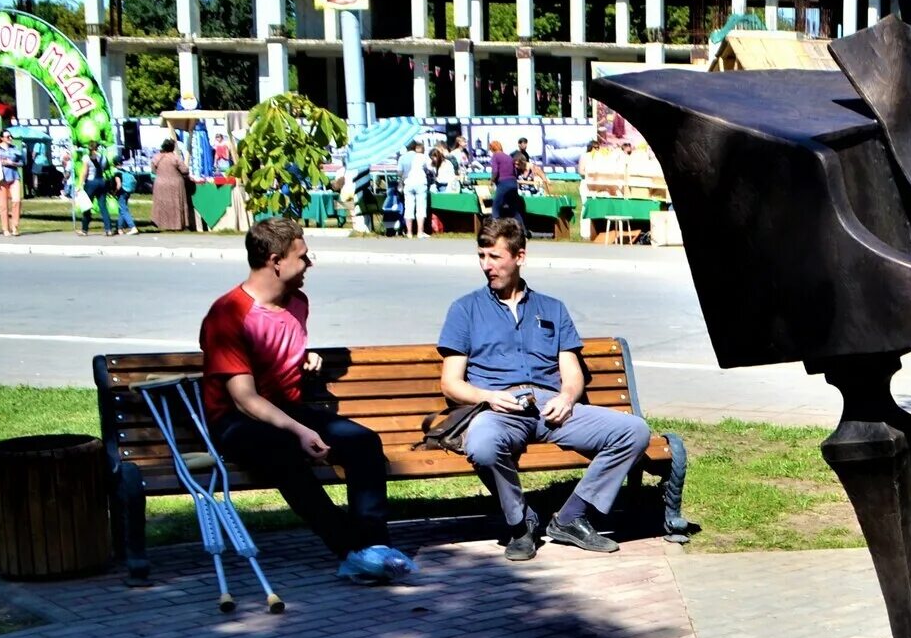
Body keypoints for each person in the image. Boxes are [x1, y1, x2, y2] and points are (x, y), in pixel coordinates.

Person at [199, 218, 412, 581]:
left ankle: (375, 546)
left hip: (285, 411)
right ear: (275, 260)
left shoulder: (297, 302)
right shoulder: (228, 315)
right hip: (236, 423)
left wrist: (303, 356)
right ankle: (350, 550)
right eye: (303, 257)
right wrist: (299, 430)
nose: (310, 264)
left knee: (363, 442)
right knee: (282, 449)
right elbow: (244, 399)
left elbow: (275, 345)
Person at [438, 218, 652, 560]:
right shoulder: (465, 309)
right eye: (481, 256)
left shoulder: (552, 308)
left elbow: (572, 374)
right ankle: (521, 524)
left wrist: (568, 398)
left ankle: (571, 518)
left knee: (633, 431)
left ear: (519, 256)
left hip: (550, 407)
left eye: (495, 257)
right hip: (498, 409)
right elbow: (450, 384)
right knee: (482, 445)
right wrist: (489, 396)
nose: (486, 266)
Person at [151, 138, 193, 231]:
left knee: (162, 204)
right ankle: (178, 225)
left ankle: (161, 223)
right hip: (175, 184)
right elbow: (185, 170)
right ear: (173, 147)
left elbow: (153, 170)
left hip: (160, 183)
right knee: (176, 205)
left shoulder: (156, 157)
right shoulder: (175, 158)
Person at [485, 139, 524, 223]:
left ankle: (495, 228)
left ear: (492, 149)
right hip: (513, 183)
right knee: (514, 209)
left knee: (495, 207)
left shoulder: (495, 156)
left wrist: (492, 181)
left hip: (503, 184)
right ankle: (523, 231)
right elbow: (515, 172)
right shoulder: (508, 157)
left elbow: (495, 171)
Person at [399, 139, 431, 238]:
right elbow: (430, 168)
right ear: (415, 146)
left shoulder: (402, 158)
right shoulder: (422, 157)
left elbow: (399, 172)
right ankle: (420, 232)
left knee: (408, 207)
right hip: (420, 182)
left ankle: (409, 232)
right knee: (420, 208)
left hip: (408, 183)